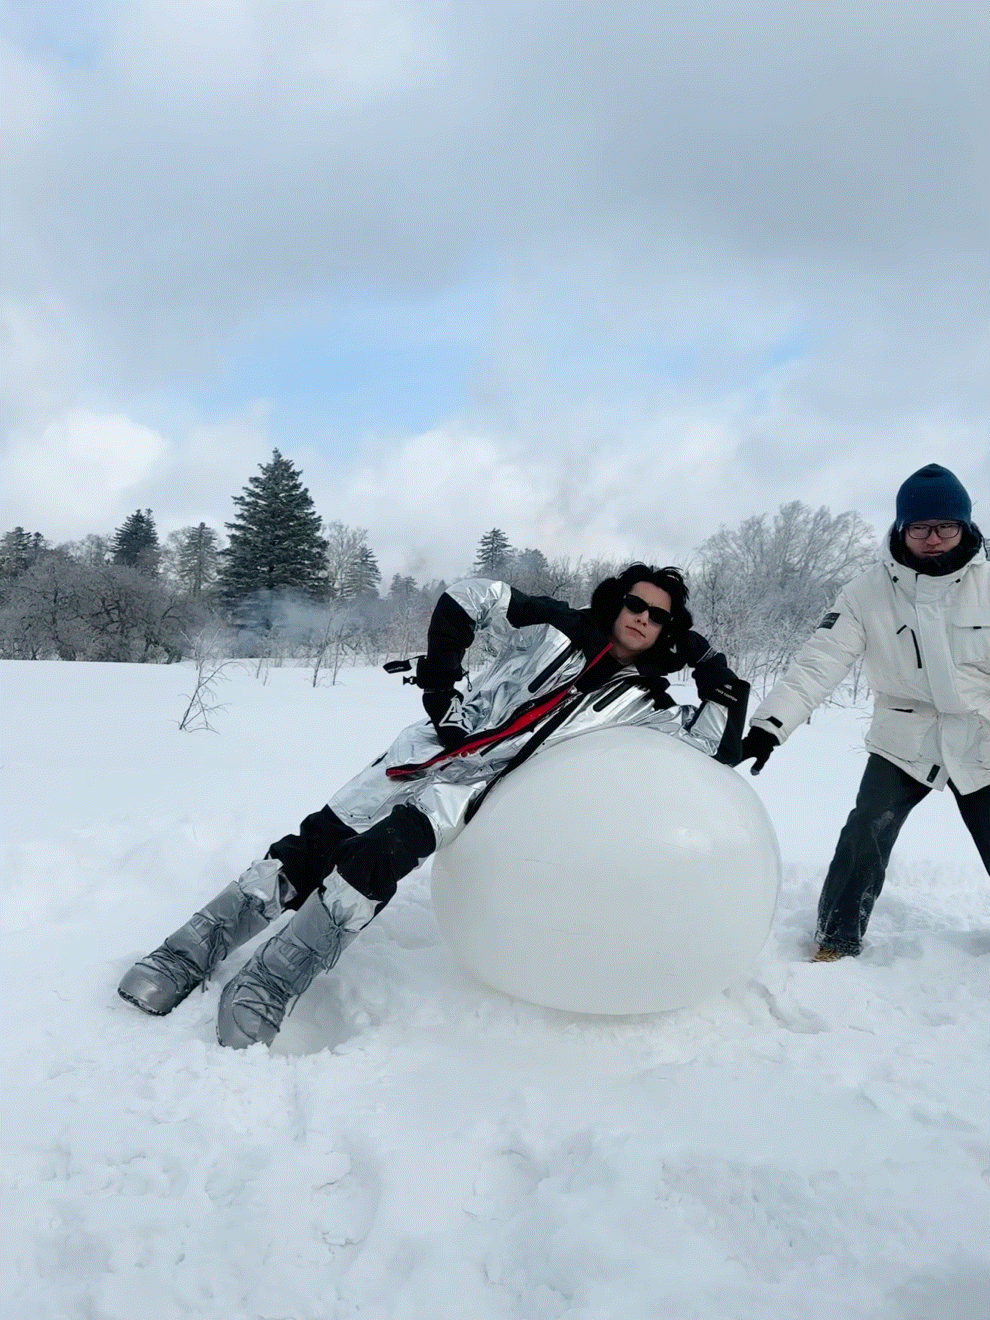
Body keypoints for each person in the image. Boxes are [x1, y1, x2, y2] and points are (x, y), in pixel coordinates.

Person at [119, 564, 747, 1047]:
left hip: (472, 795)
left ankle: (271, 982)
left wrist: (705, 658)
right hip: (427, 751)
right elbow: (470, 596)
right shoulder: (557, 623)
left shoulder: (649, 706)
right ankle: (188, 951)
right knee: (314, 845)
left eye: (659, 616)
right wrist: (441, 691)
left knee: (371, 866)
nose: (641, 618)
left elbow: (715, 743)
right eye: (635, 603)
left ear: (670, 629)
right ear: (617, 601)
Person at [738, 464, 989, 961]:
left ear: (964, 526)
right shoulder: (866, 593)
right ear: (901, 528)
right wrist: (770, 725)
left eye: (946, 526)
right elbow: (819, 662)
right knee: (865, 830)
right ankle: (835, 938)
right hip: (906, 733)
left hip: (981, 732)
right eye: (920, 527)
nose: (933, 538)